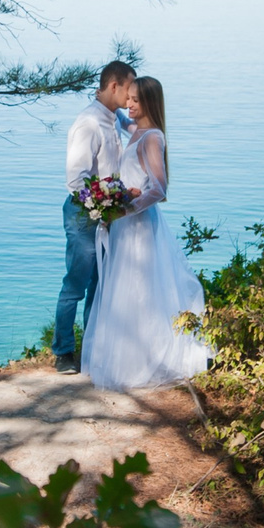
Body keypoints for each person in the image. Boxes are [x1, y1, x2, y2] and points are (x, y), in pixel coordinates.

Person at [82, 76, 212, 390]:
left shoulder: (152, 137)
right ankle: (126, 356)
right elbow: (123, 119)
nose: (129, 104)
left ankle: (143, 360)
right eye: (128, 98)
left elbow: (159, 188)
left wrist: (125, 209)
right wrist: (104, 101)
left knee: (139, 289)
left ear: (149, 102)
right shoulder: (136, 130)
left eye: (136, 100)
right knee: (124, 288)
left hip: (138, 225)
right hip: (126, 225)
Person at [54, 60, 137, 372]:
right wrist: (101, 206)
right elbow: (75, 180)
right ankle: (63, 352)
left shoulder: (112, 117)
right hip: (83, 213)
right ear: (114, 86)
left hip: (108, 212)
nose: (131, 96)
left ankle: (90, 349)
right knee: (76, 284)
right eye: (129, 89)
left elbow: (138, 130)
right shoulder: (89, 123)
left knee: (100, 285)